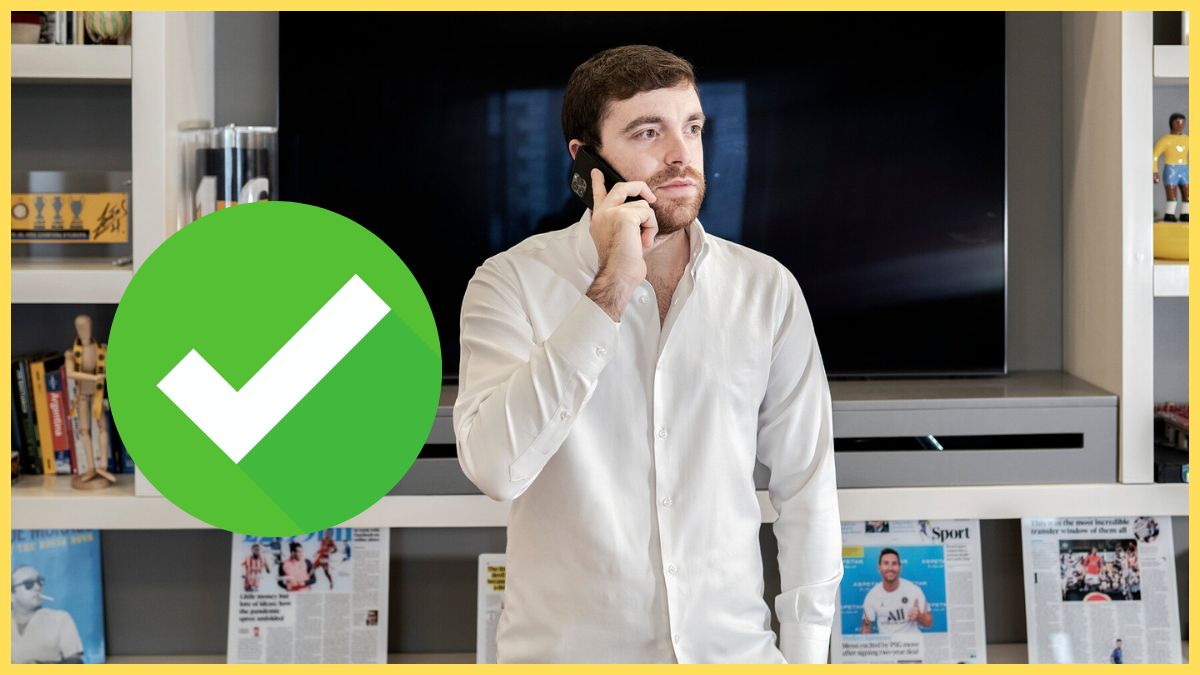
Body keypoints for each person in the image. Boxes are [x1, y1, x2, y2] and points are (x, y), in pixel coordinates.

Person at [454, 45, 841, 664]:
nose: (680, 154)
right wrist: (609, 291)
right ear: (585, 164)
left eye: (691, 127)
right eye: (646, 132)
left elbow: (807, 489)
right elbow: (497, 468)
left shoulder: (767, 290)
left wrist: (807, 654)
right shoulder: (509, 284)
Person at [11, 565, 84, 664]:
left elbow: (76, 662)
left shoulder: (60, 619)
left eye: (39, 581)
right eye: (29, 584)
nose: (37, 587)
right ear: (11, 594)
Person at [860, 549, 932, 634]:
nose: (890, 568)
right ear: (879, 568)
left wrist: (919, 616)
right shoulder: (872, 595)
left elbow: (929, 623)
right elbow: (866, 627)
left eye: (894, 564)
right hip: (888, 646)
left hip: (912, 644)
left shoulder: (914, 590)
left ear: (900, 568)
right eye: (886, 563)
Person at [1152, 113, 1189, 222]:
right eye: (1177, 122)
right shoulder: (1165, 140)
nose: (1180, 124)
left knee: (1187, 193)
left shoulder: (1187, 139)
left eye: (1182, 122)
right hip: (1171, 170)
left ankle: (1185, 213)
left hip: (1184, 169)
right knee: (1172, 194)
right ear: (1172, 123)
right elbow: (1155, 156)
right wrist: (1155, 172)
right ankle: (1169, 213)